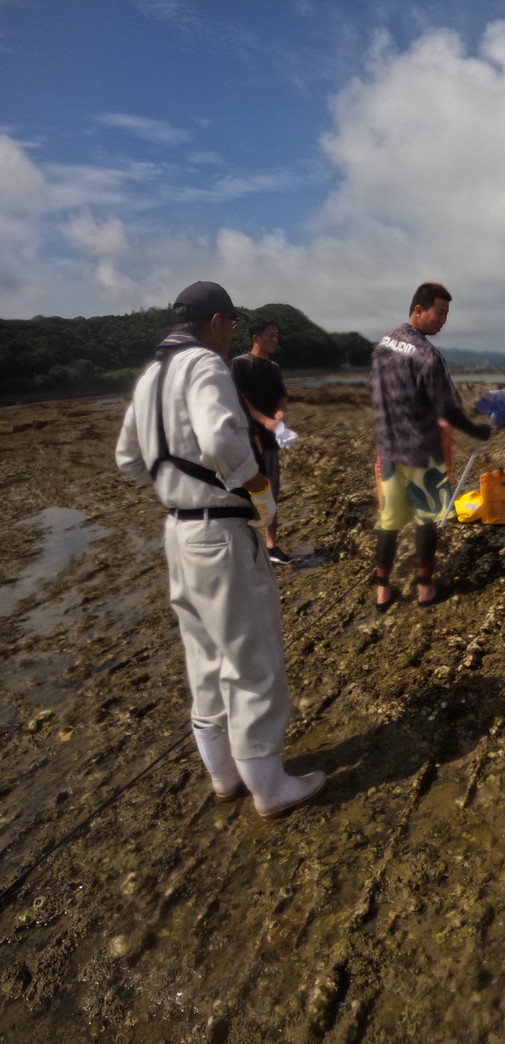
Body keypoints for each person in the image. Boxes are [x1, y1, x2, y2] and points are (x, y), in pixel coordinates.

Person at [114, 281, 325, 819]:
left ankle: (223, 775)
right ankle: (268, 783)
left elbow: (129, 461)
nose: (230, 334)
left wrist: (175, 480)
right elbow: (220, 439)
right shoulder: (204, 366)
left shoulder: (150, 378)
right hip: (219, 533)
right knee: (250, 655)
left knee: (204, 656)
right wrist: (257, 488)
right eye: (230, 324)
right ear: (215, 322)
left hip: (178, 532)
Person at [369, 282, 490, 610]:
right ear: (418, 310)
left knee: (389, 521)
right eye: (440, 313)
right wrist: (476, 431)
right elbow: (447, 408)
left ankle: (383, 590)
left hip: (389, 451)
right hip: (421, 453)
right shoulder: (426, 354)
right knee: (426, 519)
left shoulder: (383, 345)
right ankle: (425, 588)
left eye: (447, 315)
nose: (443, 321)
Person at [229, 317, 294, 565]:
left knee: (271, 492)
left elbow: (280, 397)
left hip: (269, 441)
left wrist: (279, 415)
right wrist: (264, 420)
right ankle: (244, 546)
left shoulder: (274, 368)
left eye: (277, 335)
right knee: (244, 493)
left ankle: (271, 545)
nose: (275, 339)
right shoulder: (240, 364)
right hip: (245, 440)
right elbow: (241, 399)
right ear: (255, 338)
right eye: (270, 335)